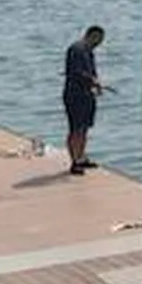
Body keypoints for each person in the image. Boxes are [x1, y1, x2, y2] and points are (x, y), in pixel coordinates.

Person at [63, 25, 105, 174]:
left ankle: (81, 157)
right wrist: (93, 81)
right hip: (75, 94)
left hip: (87, 93)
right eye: (99, 39)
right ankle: (74, 161)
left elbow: (91, 72)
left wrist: (96, 84)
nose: (100, 43)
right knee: (75, 128)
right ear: (92, 35)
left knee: (85, 127)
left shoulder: (89, 51)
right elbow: (77, 72)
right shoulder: (77, 49)